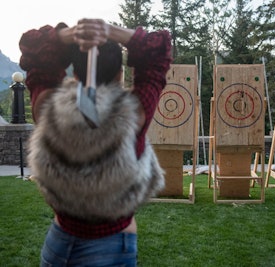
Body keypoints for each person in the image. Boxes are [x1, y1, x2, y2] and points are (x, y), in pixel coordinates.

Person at [19, 18, 172, 266]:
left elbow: (33, 49)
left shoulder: (47, 106)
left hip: (58, 244)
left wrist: (71, 34)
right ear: (120, 73)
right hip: (111, 248)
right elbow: (158, 53)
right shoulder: (135, 112)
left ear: (74, 71)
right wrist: (109, 31)